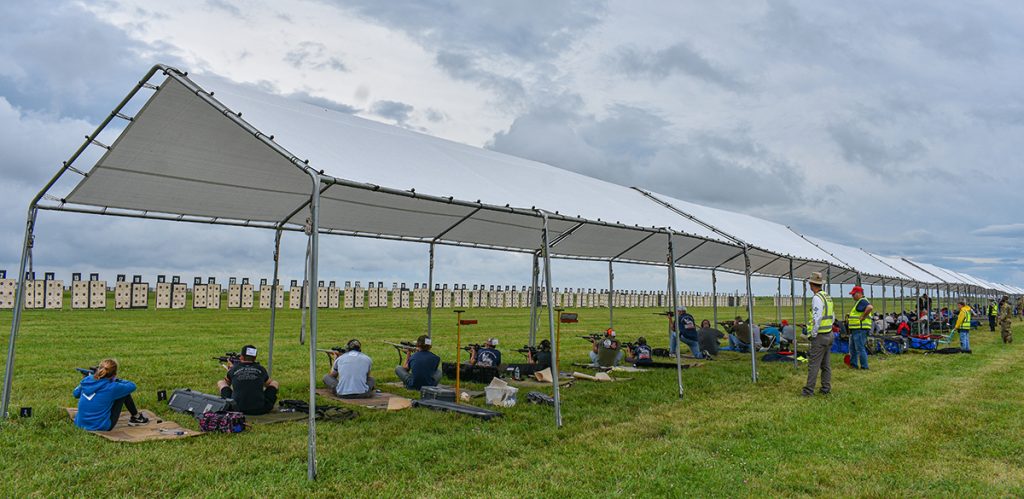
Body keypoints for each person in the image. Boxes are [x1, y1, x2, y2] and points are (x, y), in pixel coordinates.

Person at [73, 359, 148, 431]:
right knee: (124, 392)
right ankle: (137, 417)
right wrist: (117, 380)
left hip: (80, 423)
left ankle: (136, 417)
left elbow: (76, 394)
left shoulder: (86, 380)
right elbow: (132, 386)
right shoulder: (113, 387)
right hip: (100, 426)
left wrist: (90, 378)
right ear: (114, 375)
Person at [218, 345, 279, 415]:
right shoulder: (261, 368)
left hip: (235, 409)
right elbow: (268, 383)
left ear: (241, 357)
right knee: (274, 383)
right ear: (255, 357)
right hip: (261, 409)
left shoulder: (234, 369)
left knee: (221, 382)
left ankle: (226, 403)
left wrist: (231, 371)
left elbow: (227, 383)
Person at [802, 272, 835, 397]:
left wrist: (813, 333)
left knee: (814, 365)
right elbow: (832, 316)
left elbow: (817, 317)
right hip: (829, 333)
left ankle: (808, 390)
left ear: (811, 284)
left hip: (820, 335)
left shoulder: (817, 298)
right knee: (826, 365)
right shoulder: (827, 297)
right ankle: (826, 387)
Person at [846, 286, 874, 370]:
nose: (852, 296)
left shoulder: (862, 301)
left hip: (860, 329)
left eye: (853, 294)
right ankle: (853, 364)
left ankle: (864, 367)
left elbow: (870, 307)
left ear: (859, 294)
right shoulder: (860, 301)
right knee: (853, 348)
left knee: (859, 348)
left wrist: (863, 317)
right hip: (856, 329)